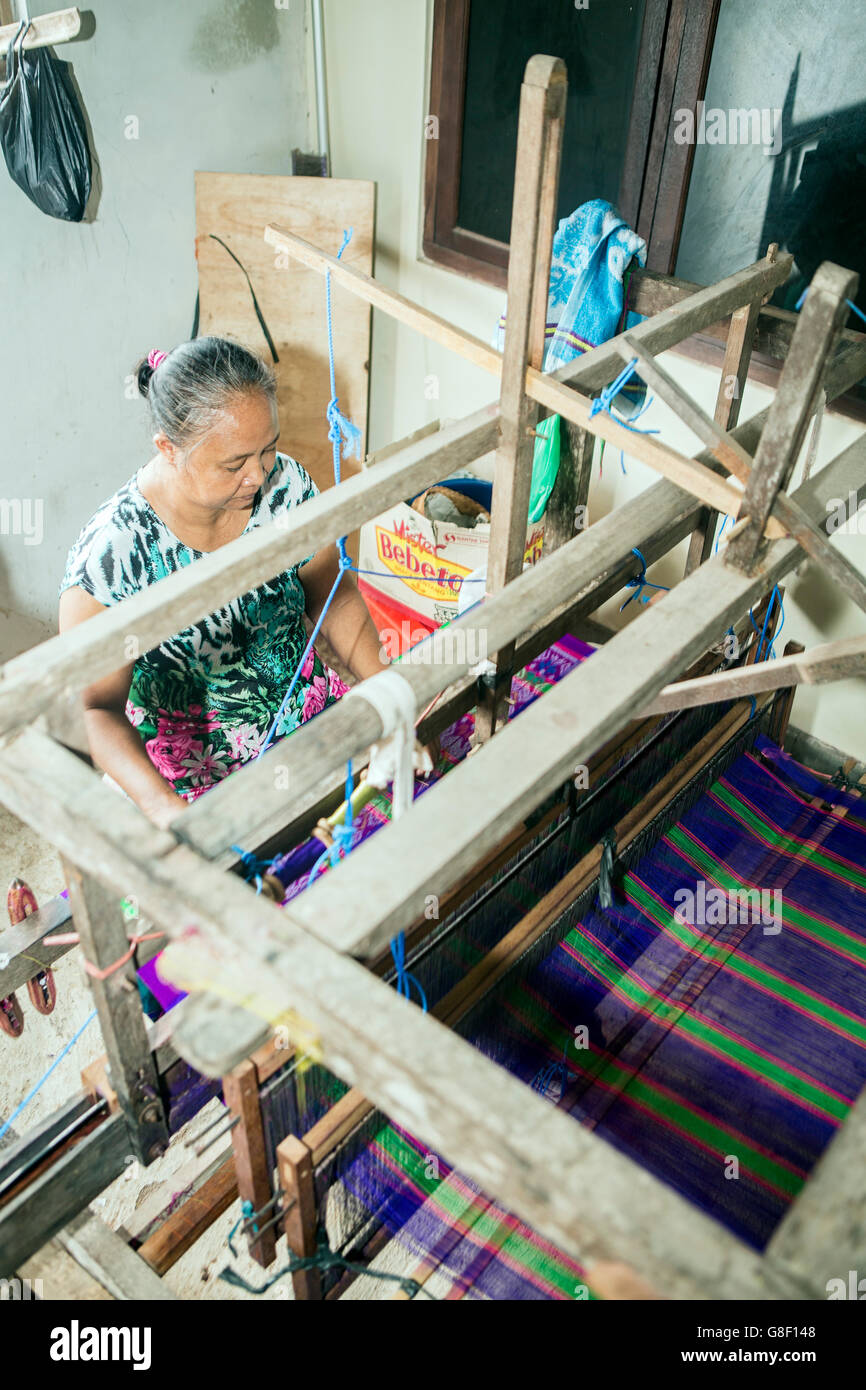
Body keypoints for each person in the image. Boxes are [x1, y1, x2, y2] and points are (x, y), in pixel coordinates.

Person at [59, 336, 388, 826]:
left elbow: (331, 597)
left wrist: (387, 689)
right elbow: (96, 710)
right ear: (168, 449)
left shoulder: (288, 489)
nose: (257, 476)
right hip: (188, 780)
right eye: (234, 464)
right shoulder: (112, 560)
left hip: (308, 723)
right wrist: (162, 809)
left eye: (268, 450)